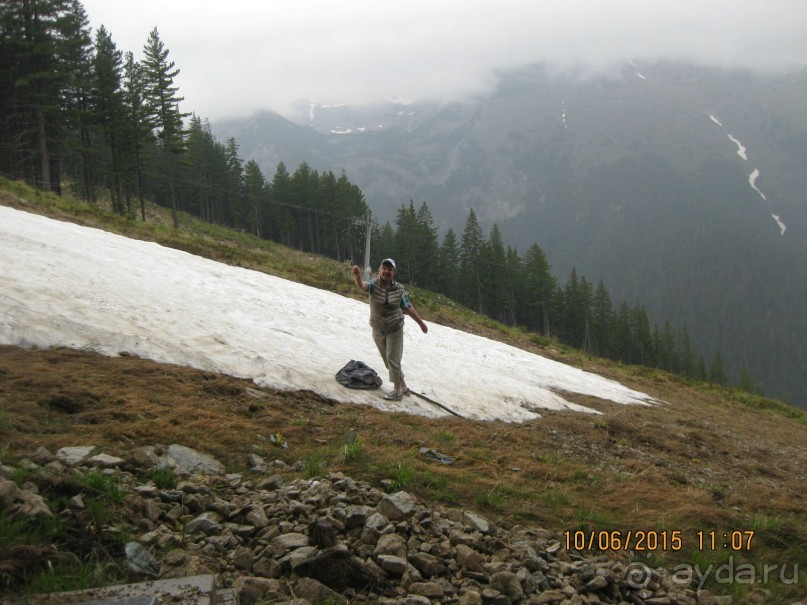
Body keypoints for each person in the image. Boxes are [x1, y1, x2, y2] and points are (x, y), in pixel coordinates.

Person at [351, 258, 428, 400]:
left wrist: (421, 323)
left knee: (393, 359)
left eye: (390, 269)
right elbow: (362, 287)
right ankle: (404, 386)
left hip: (395, 328)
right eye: (384, 268)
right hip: (378, 328)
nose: (386, 271)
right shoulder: (374, 284)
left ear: (394, 272)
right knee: (388, 361)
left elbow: (407, 307)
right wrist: (357, 276)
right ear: (380, 270)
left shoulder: (399, 289)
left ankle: (397, 391)